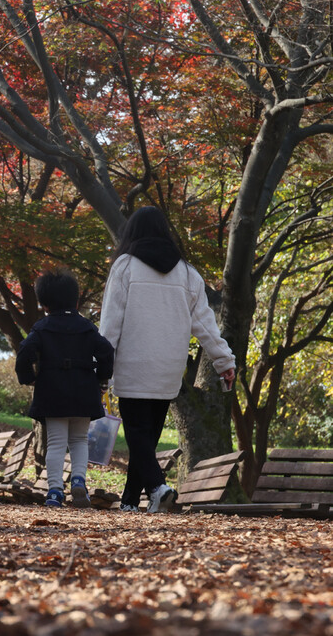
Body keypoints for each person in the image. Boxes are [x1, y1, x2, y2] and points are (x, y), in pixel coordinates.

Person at [99, 206, 236, 513]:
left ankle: (158, 488)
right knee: (146, 438)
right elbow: (206, 326)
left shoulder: (125, 267)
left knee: (138, 436)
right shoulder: (188, 273)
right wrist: (224, 362)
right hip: (169, 368)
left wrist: (101, 367)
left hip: (133, 365)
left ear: (132, 232)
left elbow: (110, 325)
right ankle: (130, 502)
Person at [15, 267, 114, 508]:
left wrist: (29, 377)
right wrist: (101, 379)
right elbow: (106, 352)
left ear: (44, 303)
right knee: (79, 440)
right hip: (83, 390)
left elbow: (25, 352)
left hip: (52, 390)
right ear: (75, 298)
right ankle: (79, 482)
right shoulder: (87, 327)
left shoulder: (42, 326)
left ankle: (55, 491)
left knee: (57, 442)